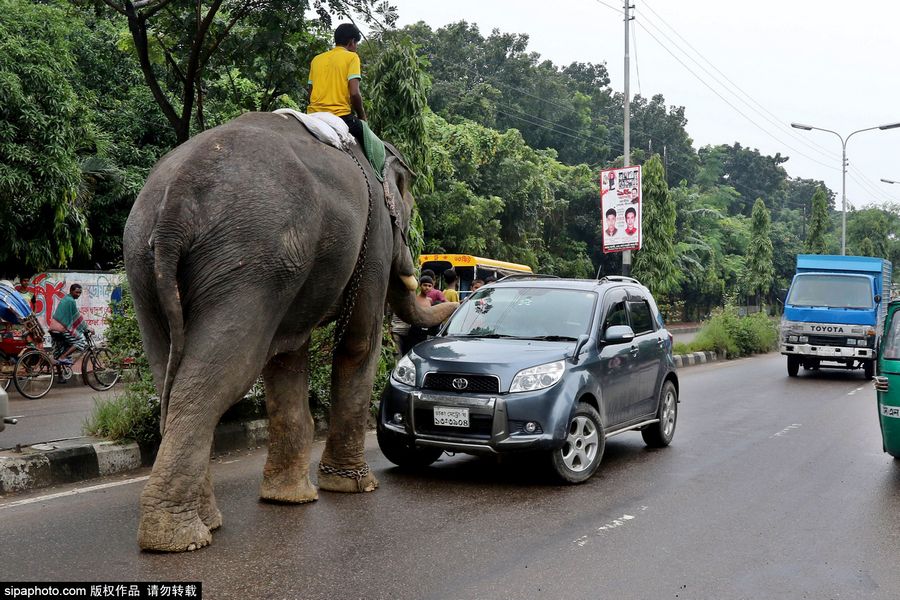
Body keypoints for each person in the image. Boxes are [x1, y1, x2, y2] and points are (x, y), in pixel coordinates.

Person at [307, 23, 367, 144]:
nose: (356, 48)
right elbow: (354, 93)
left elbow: (310, 93)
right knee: (370, 140)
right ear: (352, 41)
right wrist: (362, 117)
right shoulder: (352, 57)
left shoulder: (317, 59)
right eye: (357, 44)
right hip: (341, 116)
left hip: (313, 115)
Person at [50, 283, 92, 365]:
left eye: (80, 293)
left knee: (60, 351)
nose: (78, 295)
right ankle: (63, 357)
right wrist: (86, 328)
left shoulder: (65, 299)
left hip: (53, 327)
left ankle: (61, 374)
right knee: (81, 340)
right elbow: (77, 317)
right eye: (76, 292)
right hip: (61, 328)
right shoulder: (71, 301)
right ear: (71, 291)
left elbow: (71, 317)